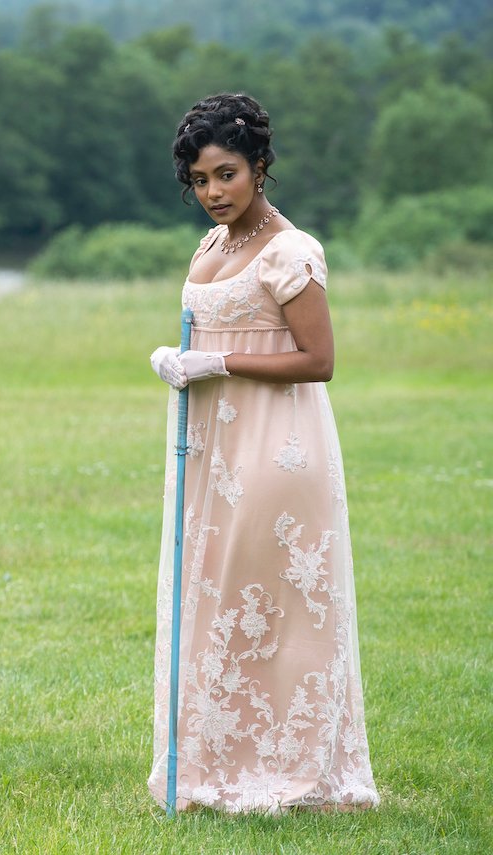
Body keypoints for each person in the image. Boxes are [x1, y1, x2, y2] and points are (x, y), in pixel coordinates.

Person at [146, 93, 379, 812]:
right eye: (199, 180)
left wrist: (219, 364)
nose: (213, 192)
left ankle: (296, 765)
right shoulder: (212, 245)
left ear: (260, 167)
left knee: (277, 608)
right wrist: (179, 358)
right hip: (210, 445)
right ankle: (217, 758)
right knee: (215, 598)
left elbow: (319, 359)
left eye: (226, 174)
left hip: (277, 447)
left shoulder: (290, 251)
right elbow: (209, 327)